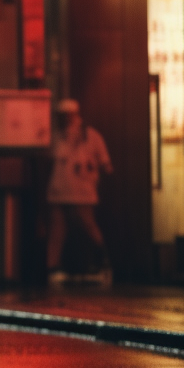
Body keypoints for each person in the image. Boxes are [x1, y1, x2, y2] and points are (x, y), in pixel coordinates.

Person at [46, 99, 113, 286]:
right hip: (59, 188)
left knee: (87, 223)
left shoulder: (90, 136)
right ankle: (53, 267)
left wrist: (95, 172)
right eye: (63, 116)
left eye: (69, 116)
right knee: (58, 228)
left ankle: (103, 261)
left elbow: (105, 163)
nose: (67, 120)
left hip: (81, 189)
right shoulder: (56, 136)